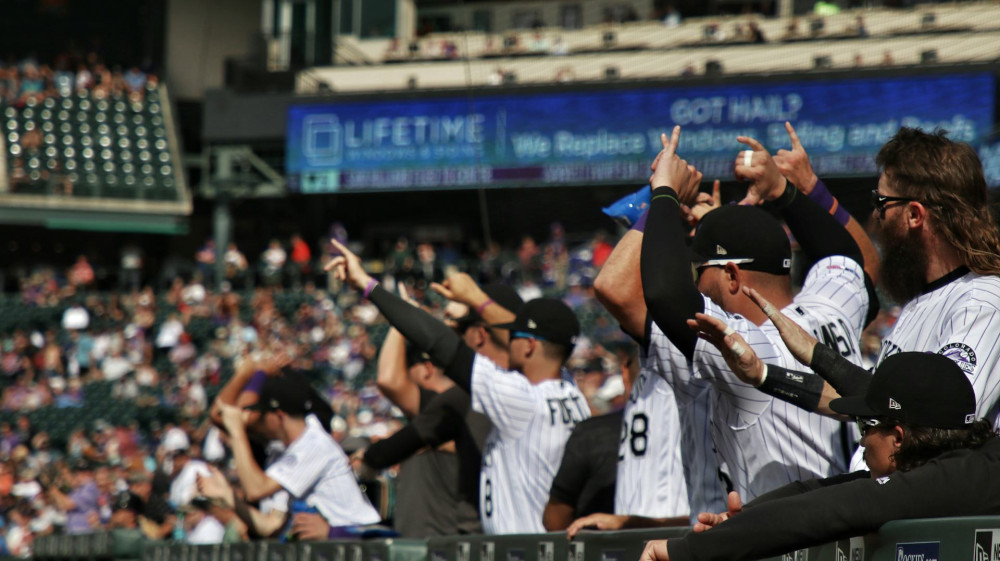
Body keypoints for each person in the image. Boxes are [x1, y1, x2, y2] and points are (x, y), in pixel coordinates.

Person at [640, 126, 874, 500]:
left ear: (732, 275)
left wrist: (664, 191)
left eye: (700, 271)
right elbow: (844, 256)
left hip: (796, 531)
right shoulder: (832, 308)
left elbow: (665, 293)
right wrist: (783, 190)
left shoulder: (755, 346)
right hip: (864, 516)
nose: (696, 283)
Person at [325, 241, 590, 534]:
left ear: (528, 345)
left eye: (516, 335)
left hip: (522, 545)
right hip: (553, 542)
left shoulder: (518, 397)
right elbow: (536, 336)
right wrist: (481, 302)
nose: (509, 336)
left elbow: (439, 342)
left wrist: (367, 285)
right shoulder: (570, 390)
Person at [638, 351, 999, 561]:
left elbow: (835, 508)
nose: (861, 441)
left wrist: (685, 552)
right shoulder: (964, 466)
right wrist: (738, 520)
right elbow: (821, 491)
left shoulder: (967, 476)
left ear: (899, 438)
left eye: (866, 426)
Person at [209, 375, 381, 539]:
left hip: (360, 542)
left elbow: (255, 490)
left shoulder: (314, 445)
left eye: (261, 417)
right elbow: (271, 526)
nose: (256, 424)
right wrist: (227, 495)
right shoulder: (285, 450)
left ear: (279, 415)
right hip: (337, 547)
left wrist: (236, 431)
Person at [543, 344, 637, 531]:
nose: (588, 376)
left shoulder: (593, 432)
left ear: (625, 375)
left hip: (601, 539)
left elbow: (555, 520)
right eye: (585, 372)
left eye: (591, 371)